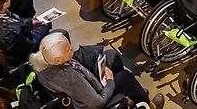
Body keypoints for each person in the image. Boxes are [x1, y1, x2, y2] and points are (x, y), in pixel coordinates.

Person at [32, 32, 164, 109]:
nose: (71, 47)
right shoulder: (70, 79)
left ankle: (131, 94)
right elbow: (97, 102)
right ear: (57, 60)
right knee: (125, 77)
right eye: (68, 49)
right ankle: (148, 104)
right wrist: (110, 81)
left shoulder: (44, 63)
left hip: (88, 85)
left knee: (112, 56)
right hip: (93, 102)